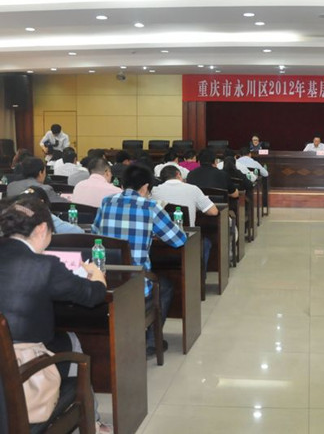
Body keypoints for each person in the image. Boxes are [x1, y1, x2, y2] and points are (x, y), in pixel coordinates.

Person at [0, 196, 108, 431]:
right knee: (72, 341)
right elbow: (93, 296)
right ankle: (94, 422)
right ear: (41, 229)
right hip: (21, 370)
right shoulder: (44, 266)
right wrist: (98, 276)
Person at [92, 164, 187, 358]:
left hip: (107, 277)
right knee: (166, 286)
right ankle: (151, 341)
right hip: (135, 283)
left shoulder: (106, 202)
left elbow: (95, 233)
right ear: (145, 187)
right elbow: (178, 240)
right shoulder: (150, 207)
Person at [152, 166, 218, 227]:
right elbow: (213, 211)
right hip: (188, 233)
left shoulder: (154, 191)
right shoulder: (193, 189)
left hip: (161, 234)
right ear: (178, 174)